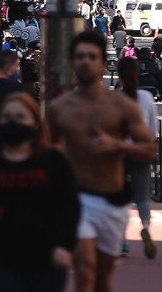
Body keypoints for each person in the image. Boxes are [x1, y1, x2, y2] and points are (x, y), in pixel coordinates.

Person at [47, 30, 156, 292]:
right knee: (84, 270)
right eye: (80, 56)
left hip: (111, 200)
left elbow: (149, 150)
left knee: (102, 276)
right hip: (76, 199)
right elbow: (44, 153)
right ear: (73, 62)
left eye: (92, 57)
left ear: (101, 63)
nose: (85, 61)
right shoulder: (60, 109)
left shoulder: (121, 106)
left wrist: (116, 145)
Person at [0, 92, 79, 291]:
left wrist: (65, 246)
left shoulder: (53, 161)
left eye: (20, 117)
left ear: (35, 123)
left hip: (45, 258)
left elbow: (70, 207)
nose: (13, 123)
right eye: (7, 118)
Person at [116, 57, 158, 259]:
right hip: (141, 152)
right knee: (142, 197)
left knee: (121, 200)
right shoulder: (146, 97)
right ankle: (146, 227)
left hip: (121, 154)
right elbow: (152, 129)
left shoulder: (115, 99)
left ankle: (122, 241)